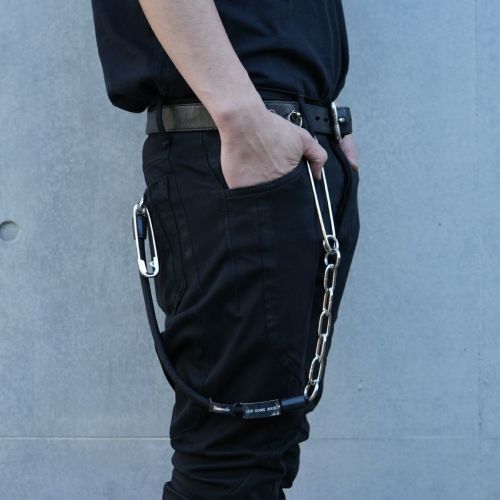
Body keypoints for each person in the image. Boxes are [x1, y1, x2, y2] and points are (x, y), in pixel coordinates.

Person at [91, 1, 360, 498]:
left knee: (269, 444)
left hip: (299, 150)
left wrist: (323, 122)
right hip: (237, 152)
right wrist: (241, 116)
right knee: (232, 463)